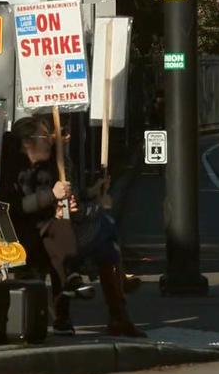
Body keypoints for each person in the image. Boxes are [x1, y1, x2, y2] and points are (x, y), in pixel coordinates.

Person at [10, 114, 145, 338]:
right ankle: (117, 310)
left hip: (57, 231)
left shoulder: (54, 162)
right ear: (27, 142)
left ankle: (116, 309)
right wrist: (53, 197)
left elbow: (67, 194)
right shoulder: (17, 170)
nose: (53, 140)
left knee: (105, 232)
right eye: (46, 136)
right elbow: (20, 205)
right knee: (106, 230)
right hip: (36, 234)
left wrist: (86, 194)